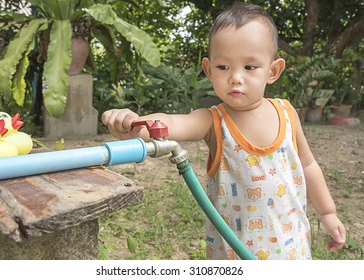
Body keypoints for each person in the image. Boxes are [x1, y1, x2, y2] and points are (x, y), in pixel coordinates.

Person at [101, 1, 346, 260]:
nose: (236, 77)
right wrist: (135, 123)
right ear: (208, 69)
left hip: (291, 250)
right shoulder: (213, 121)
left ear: (273, 71)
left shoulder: (287, 113)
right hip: (233, 257)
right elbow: (172, 123)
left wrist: (328, 213)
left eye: (250, 67)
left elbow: (308, 165)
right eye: (223, 67)